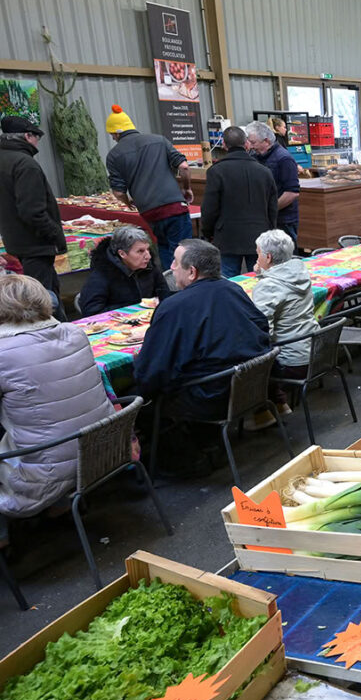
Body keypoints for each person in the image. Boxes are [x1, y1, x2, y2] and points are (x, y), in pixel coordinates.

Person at [0, 275, 114, 546]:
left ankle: (2, 539)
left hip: (44, 472)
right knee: (48, 420)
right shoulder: (75, 333)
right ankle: (60, 508)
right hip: (100, 454)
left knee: (37, 428)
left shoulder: (4, 352)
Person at [134, 239, 270, 423]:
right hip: (249, 389)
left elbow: (150, 373)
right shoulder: (234, 290)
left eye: (175, 261)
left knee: (130, 396)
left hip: (207, 399)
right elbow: (262, 328)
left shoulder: (174, 307)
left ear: (192, 272)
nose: (171, 267)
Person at [104, 105, 193, 270]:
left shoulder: (114, 155)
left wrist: (128, 202)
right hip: (174, 206)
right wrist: (187, 188)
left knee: (165, 248)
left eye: (112, 135)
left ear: (116, 133)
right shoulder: (159, 140)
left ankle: (170, 287)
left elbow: (118, 191)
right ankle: (185, 288)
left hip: (149, 211)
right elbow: (184, 167)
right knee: (183, 251)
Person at [0, 116, 67, 321]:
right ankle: (55, 338)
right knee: (41, 300)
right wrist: (54, 234)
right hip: (35, 244)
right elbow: (32, 211)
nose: (38, 142)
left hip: (16, 241)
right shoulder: (25, 164)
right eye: (36, 136)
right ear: (28, 136)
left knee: (36, 295)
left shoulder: (5, 159)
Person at [249, 229, 317, 427]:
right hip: (313, 350)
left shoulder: (268, 286)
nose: (257, 257)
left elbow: (263, 332)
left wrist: (263, 279)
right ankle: (280, 404)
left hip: (293, 361)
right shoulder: (301, 272)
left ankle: (262, 413)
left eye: (258, 253)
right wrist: (264, 274)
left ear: (268, 257)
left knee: (250, 354)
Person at [200, 126, 279, 278]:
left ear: (224, 145)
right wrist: (270, 231)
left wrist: (208, 233)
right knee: (260, 280)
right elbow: (273, 207)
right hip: (259, 236)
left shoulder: (216, 171)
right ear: (247, 144)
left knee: (229, 283)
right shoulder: (264, 171)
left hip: (227, 237)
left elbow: (210, 208)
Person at [80, 226, 171, 316]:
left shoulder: (149, 267)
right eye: (140, 251)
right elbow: (91, 312)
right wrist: (133, 308)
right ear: (122, 254)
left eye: (147, 249)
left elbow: (164, 295)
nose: (148, 256)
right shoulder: (101, 275)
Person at [246, 120, 301, 244]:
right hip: (263, 220)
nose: (252, 146)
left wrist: (270, 209)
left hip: (283, 221)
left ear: (266, 141)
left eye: (254, 142)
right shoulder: (254, 158)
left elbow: (292, 193)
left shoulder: (284, 159)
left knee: (285, 259)